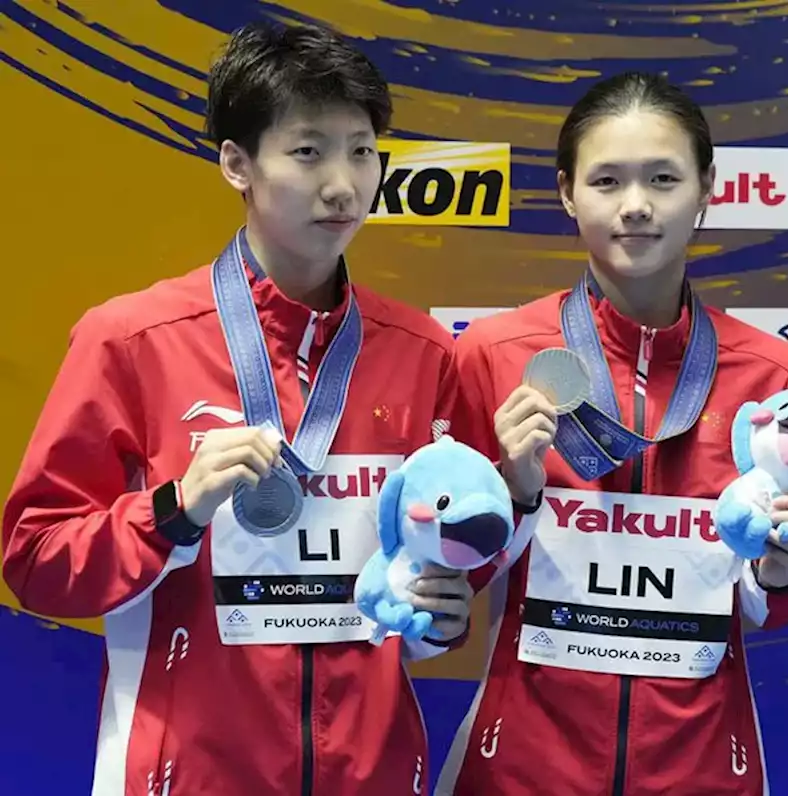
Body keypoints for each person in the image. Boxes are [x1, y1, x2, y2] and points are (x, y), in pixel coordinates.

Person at [2, 21, 474, 796]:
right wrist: (174, 510)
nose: (343, 184)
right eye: (308, 151)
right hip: (188, 776)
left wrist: (442, 605)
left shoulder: (422, 351)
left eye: (361, 150)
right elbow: (37, 562)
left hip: (374, 773)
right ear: (236, 163)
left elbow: (441, 566)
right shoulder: (132, 339)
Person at [433, 72, 788, 796]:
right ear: (566, 192)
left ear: (707, 189)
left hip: (704, 765)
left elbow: (773, 603)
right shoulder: (492, 354)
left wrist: (780, 571)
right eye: (607, 180)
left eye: (664, 179)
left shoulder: (771, 370)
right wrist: (514, 492)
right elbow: (451, 579)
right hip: (522, 767)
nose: (636, 206)